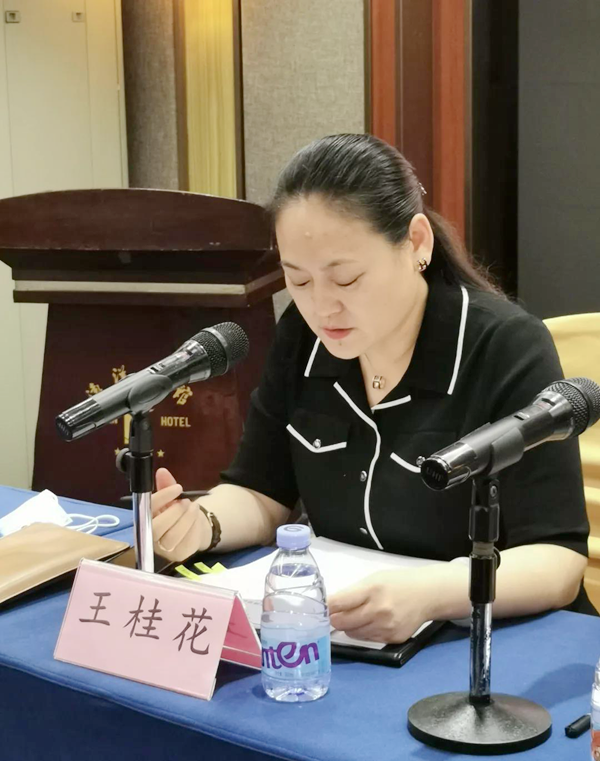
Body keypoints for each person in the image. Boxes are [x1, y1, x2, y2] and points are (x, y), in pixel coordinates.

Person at [152, 133, 592, 644]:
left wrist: (432, 593)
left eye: (346, 279)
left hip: (487, 638)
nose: (322, 307)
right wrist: (202, 523)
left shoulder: (504, 345)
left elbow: (557, 560)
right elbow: (261, 491)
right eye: (299, 280)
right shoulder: (303, 337)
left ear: (416, 243)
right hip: (350, 635)